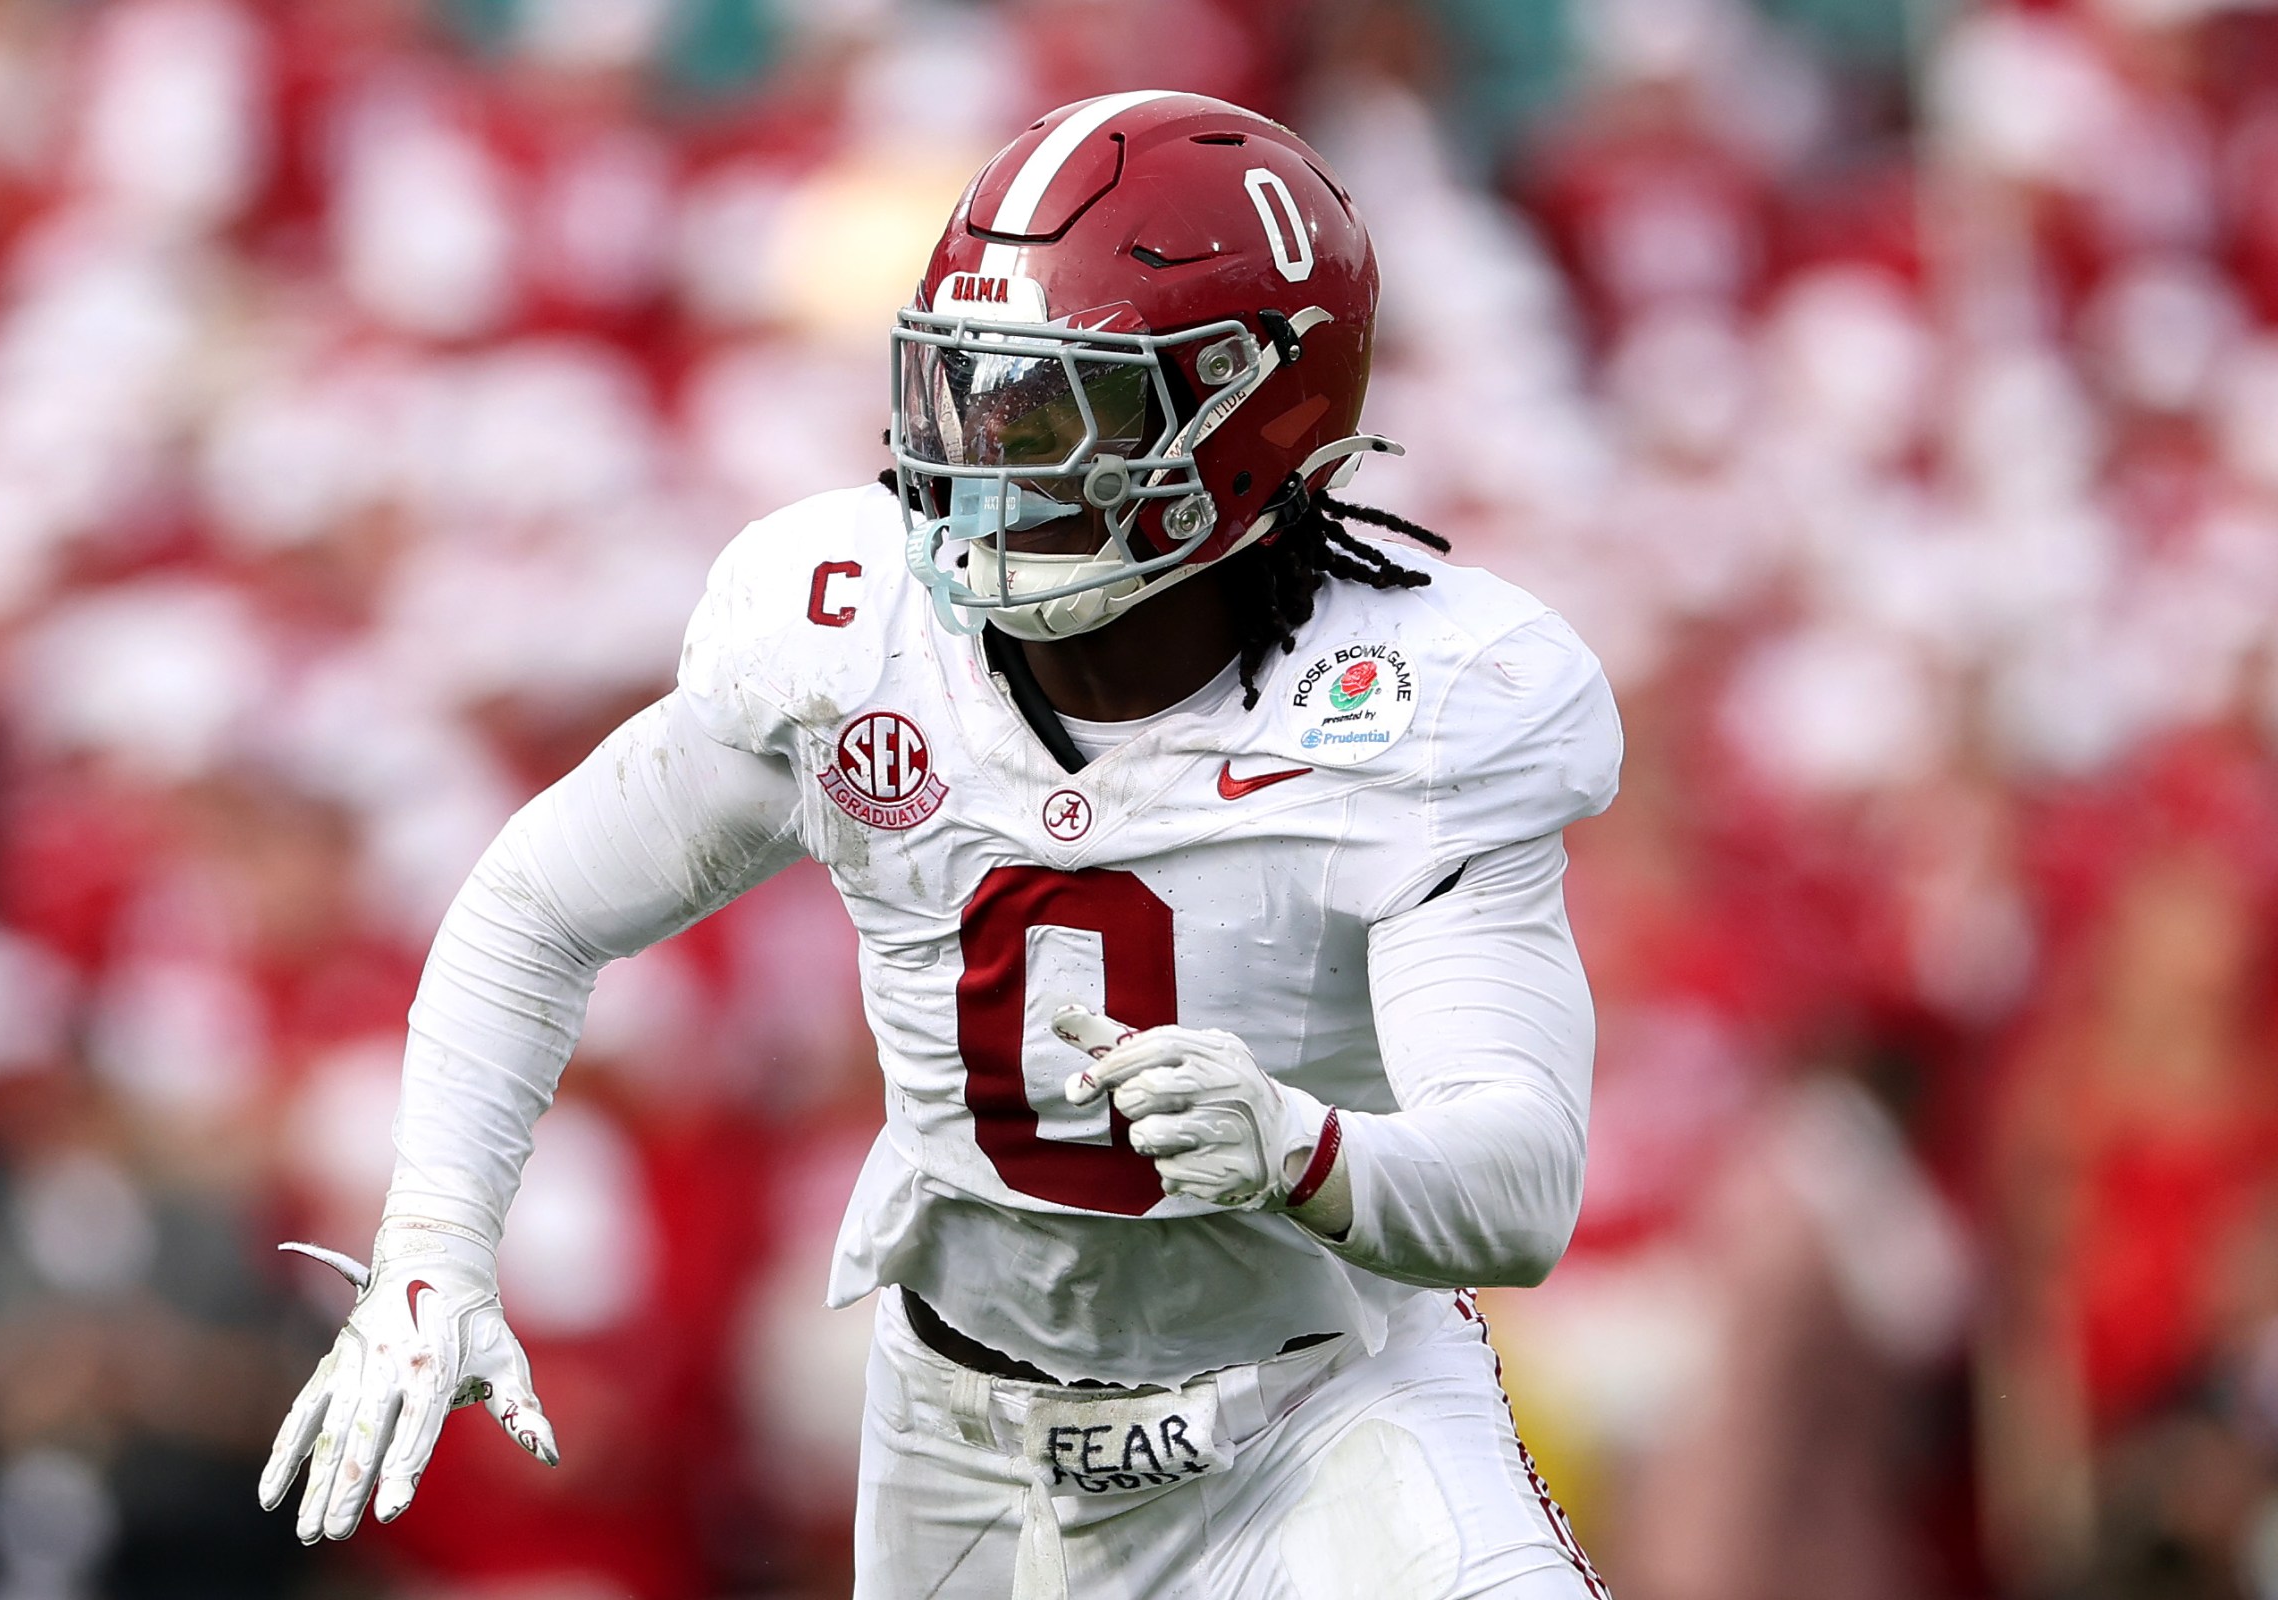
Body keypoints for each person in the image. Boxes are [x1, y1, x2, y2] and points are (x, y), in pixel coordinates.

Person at [259, 90, 1623, 1598]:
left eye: (1062, 407)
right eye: (970, 391)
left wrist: (1301, 1151)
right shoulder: (852, 629)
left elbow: (1518, 1182)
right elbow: (535, 907)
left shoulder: (1423, 707)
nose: (990, 458)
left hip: (1317, 1417)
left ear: (1252, 414)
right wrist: (436, 1242)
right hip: (965, 1441)